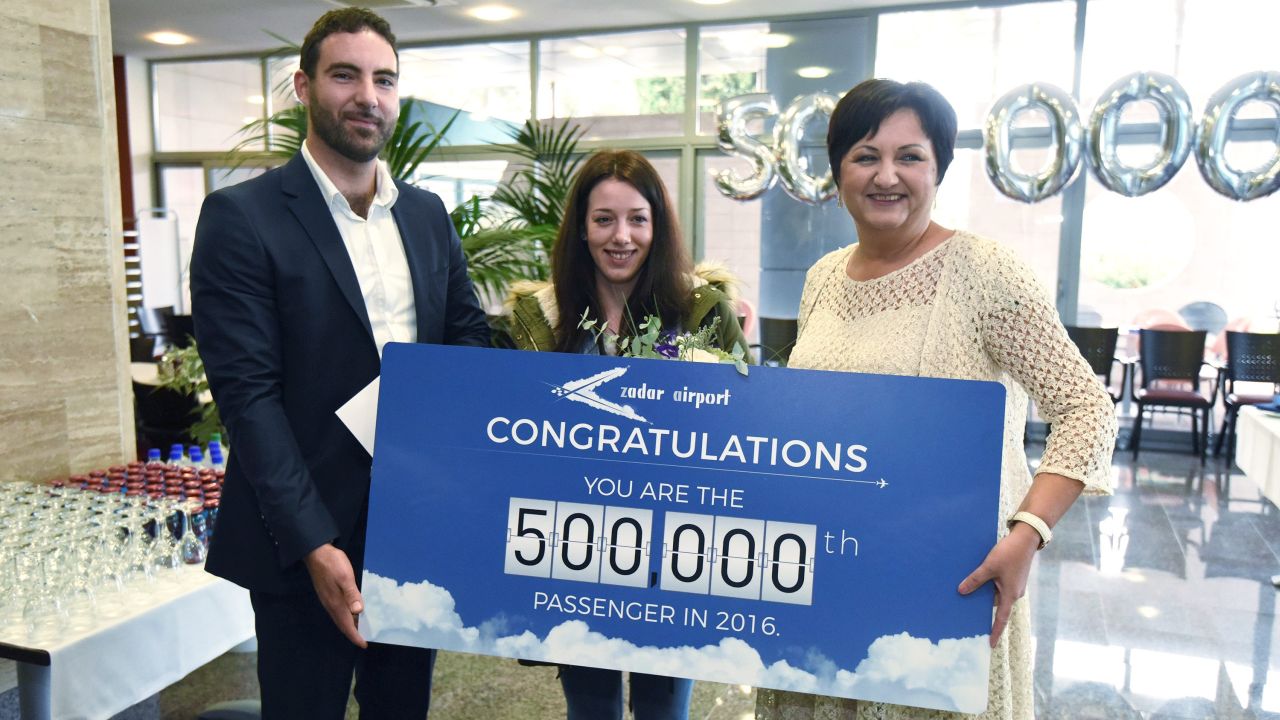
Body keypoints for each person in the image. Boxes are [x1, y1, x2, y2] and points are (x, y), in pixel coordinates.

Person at [756, 80, 1117, 720]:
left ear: (939, 169)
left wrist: (1028, 534)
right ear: (838, 171)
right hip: (827, 578)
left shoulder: (985, 272)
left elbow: (1086, 408)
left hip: (946, 584)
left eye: (910, 157)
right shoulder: (822, 278)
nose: (886, 176)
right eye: (865, 156)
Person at [190, 8, 490, 719]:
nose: (368, 97)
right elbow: (249, 399)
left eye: (384, 80)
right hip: (303, 538)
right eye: (345, 76)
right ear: (303, 86)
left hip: (413, 528)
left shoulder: (427, 215)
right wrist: (315, 544)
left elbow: (468, 340)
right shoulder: (243, 217)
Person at [504, 149, 750, 719]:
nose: (621, 236)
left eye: (638, 218)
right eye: (604, 219)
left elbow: (743, 427)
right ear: (581, 228)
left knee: (664, 708)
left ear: (658, 226)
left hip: (677, 549)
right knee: (589, 706)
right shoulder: (539, 317)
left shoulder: (702, 309)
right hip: (571, 548)